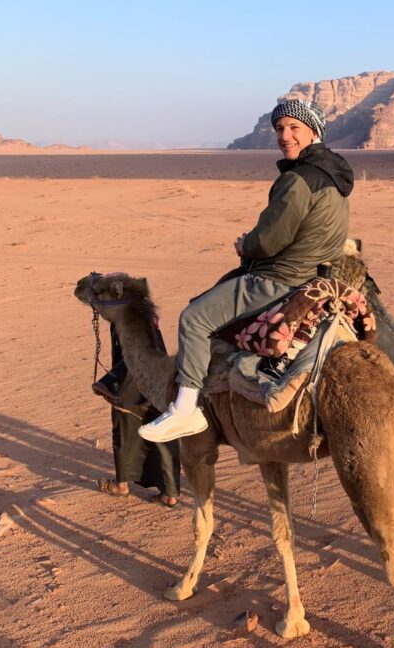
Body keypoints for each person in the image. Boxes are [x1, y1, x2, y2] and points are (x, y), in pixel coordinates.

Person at [139, 99, 354, 442]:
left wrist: (246, 245)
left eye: (294, 128)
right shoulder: (335, 177)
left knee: (194, 318)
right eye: (280, 129)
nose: (285, 136)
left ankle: (184, 410)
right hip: (313, 274)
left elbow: (270, 240)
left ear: (313, 131)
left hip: (278, 279)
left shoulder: (299, 180)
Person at [94, 325, 182, 505]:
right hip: (158, 375)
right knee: (161, 424)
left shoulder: (122, 310)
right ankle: (170, 493)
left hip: (133, 371)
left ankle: (121, 485)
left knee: (124, 420)